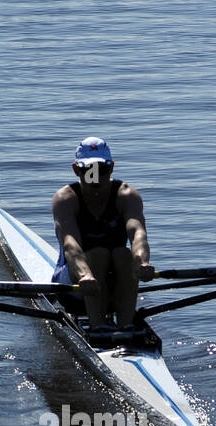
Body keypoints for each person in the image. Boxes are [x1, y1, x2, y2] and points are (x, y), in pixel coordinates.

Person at [51, 137, 154, 344]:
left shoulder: (127, 195)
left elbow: (138, 235)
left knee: (123, 254)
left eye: (102, 168)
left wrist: (142, 262)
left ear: (112, 167)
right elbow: (70, 244)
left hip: (112, 282)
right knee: (97, 254)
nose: (95, 176)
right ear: (76, 169)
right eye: (89, 169)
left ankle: (126, 325)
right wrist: (85, 274)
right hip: (75, 285)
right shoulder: (66, 199)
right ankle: (98, 328)